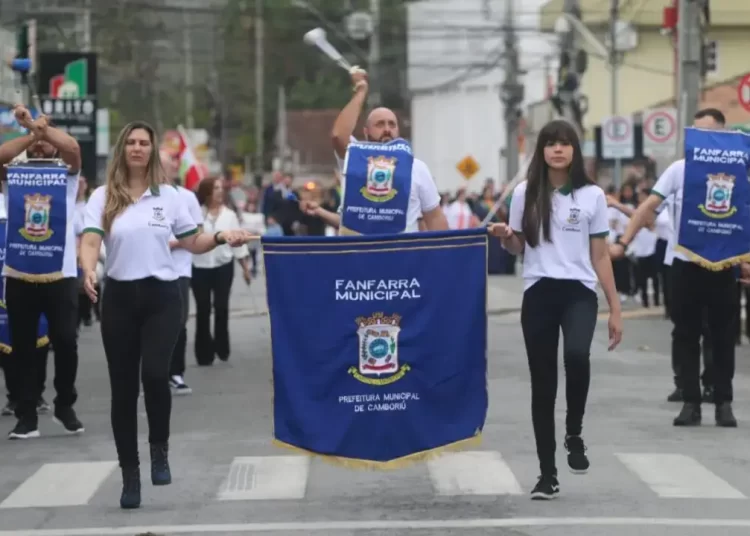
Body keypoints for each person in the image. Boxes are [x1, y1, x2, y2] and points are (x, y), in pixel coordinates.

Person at [79, 120, 254, 509]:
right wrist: (88, 268)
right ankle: (130, 475)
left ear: (152, 150)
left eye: (145, 143)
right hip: (120, 298)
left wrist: (223, 237)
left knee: (156, 374)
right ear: (123, 149)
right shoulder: (104, 196)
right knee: (123, 391)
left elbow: (194, 242)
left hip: (162, 295)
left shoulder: (170, 197)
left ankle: (159, 449)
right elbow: (91, 238)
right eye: (132, 143)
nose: (138, 148)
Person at [488, 119, 622, 501]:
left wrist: (615, 308)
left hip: (579, 291)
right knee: (543, 383)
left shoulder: (592, 195)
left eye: (565, 143)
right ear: (542, 150)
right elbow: (518, 247)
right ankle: (547, 473)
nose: (558, 149)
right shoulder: (525, 193)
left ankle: (574, 432)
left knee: (578, 356)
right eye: (551, 143)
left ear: (574, 150)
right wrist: (506, 237)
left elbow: (599, 255)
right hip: (539, 291)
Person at [610, 108, 739, 428]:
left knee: (723, 335)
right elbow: (648, 207)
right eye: (695, 134)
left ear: (723, 136)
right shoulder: (679, 170)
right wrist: (623, 243)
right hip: (684, 264)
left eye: (708, 134)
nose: (700, 141)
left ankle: (723, 401)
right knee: (685, 333)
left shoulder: (741, 167)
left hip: (723, 265)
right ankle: (691, 402)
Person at [0, 105, 84, 440]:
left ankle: (65, 402)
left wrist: (43, 129)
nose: (39, 145)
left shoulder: (67, 174)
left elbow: (74, 148)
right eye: (36, 141)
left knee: (65, 340)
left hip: (59, 274)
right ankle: (26, 413)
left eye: (46, 140)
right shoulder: (15, 176)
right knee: (22, 347)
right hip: (20, 272)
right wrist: (30, 131)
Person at [298, 67, 448, 234]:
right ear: (366, 132)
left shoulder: (417, 168)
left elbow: (434, 218)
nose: (387, 129)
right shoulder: (355, 157)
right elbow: (338, 135)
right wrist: (361, 91)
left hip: (402, 257)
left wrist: (447, 255)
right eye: (380, 124)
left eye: (392, 124)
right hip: (360, 256)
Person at [191, 177, 251, 366]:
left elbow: (238, 244)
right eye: (215, 188)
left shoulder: (230, 215)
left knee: (221, 306)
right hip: (199, 266)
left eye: (221, 188)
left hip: (223, 266)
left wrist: (245, 268)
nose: (219, 191)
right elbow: (189, 240)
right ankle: (203, 352)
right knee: (203, 309)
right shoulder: (195, 214)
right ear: (207, 191)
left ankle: (222, 347)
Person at [167, 177, 203, 394]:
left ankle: (175, 373)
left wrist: (175, 243)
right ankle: (151, 373)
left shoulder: (187, 197)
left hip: (179, 269)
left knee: (179, 322)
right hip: (149, 268)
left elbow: (197, 232)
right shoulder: (140, 195)